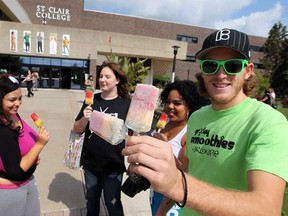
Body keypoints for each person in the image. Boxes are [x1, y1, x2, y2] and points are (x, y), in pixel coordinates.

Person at [122, 28, 288, 216]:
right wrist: (162, 163)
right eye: (211, 65)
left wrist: (178, 186)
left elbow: (266, 209)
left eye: (232, 65)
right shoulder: (198, 117)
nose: (220, 74)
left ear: (248, 71)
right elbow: (186, 174)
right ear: (202, 70)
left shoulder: (268, 122)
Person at [73, 61, 131, 216]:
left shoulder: (127, 104)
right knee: (91, 201)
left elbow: (134, 134)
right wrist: (85, 118)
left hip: (113, 165)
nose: (102, 79)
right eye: (101, 76)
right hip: (91, 163)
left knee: (113, 204)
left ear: (117, 80)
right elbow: (76, 129)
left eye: (107, 76)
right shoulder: (92, 100)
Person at [150, 80, 210, 216]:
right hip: (155, 191)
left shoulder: (190, 132)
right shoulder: (164, 124)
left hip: (173, 197)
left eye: (177, 103)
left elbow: (184, 172)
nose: (170, 106)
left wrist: (166, 149)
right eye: (168, 102)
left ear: (189, 105)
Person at [0, 73, 50, 216]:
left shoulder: (12, 114)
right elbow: (15, 171)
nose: (18, 103)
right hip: (11, 193)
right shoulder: (3, 130)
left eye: (20, 98)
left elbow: (19, 146)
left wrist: (32, 156)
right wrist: (39, 144)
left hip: (28, 182)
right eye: (12, 99)